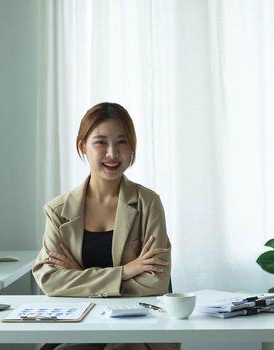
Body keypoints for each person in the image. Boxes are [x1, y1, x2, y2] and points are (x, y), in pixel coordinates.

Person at [32, 102, 178, 350]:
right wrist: (126, 271)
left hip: (141, 325)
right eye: (101, 142)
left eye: (122, 142)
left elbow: (156, 282)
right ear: (83, 147)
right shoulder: (58, 211)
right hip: (78, 323)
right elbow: (50, 280)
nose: (112, 153)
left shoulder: (148, 203)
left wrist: (79, 276)